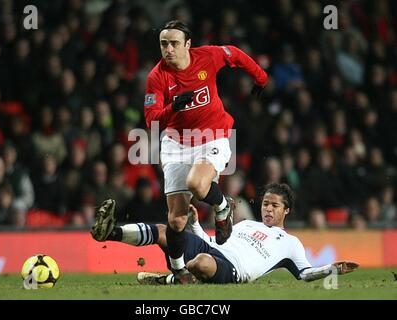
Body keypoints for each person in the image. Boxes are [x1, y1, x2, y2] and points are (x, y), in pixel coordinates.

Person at [91, 20, 269, 283]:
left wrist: (260, 77)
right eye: (164, 43)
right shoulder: (157, 76)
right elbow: (151, 120)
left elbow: (233, 53)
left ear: (188, 44)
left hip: (213, 135)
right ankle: (178, 271)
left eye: (174, 43)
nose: (168, 49)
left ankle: (222, 208)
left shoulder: (207, 56)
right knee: (175, 221)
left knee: (197, 184)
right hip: (176, 143)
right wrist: (174, 107)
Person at [90, 183, 358, 284]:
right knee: (167, 230)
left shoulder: (291, 243)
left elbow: (303, 275)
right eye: (265, 203)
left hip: (232, 269)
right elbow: (209, 241)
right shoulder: (246, 224)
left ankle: (171, 279)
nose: (267, 209)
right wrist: (194, 224)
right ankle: (109, 232)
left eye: (274, 206)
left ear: (286, 211)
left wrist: (330, 270)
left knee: (200, 264)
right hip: (216, 251)